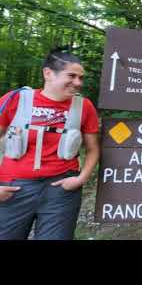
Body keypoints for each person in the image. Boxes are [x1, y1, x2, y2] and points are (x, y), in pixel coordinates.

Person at [0, 49, 100, 240]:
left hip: (61, 189)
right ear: (48, 73)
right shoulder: (16, 99)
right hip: (13, 188)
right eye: (71, 76)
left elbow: (93, 148)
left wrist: (80, 179)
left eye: (81, 78)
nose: (78, 82)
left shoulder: (84, 106)